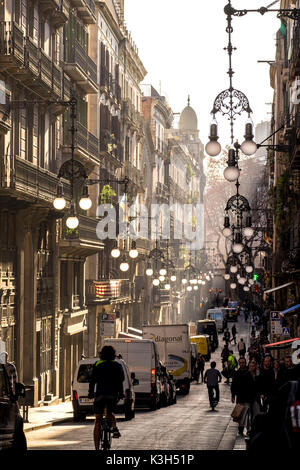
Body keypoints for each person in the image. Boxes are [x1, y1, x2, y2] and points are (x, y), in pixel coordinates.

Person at [88, 345, 125, 450]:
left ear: (102, 355)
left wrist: (91, 393)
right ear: (113, 355)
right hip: (112, 395)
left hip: (100, 395)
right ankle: (114, 428)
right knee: (110, 413)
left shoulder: (98, 364)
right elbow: (120, 381)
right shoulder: (117, 365)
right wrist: (121, 393)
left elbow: (92, 381)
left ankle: (96, 448)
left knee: (98, 420)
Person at [231, 357, 258, 436]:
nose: (242, 364)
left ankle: (250, 429)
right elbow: (234, 385)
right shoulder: (237, 373)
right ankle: (241, 429)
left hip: (250, 396)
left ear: (245, 363)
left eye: (243, 362)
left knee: (250, 413)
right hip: (241, 397)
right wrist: (233, 396)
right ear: (239, 363)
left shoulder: (249, 371)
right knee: (241, 414)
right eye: (241, 362)